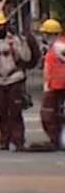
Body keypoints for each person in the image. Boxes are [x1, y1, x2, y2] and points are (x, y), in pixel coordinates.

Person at [0, 10, 34, 151]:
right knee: (1, 112)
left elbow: (26, 57)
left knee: (15, 112)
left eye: (0, 26)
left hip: (14, 79)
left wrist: (20, 44)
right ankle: (4, 139)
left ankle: (19, 140)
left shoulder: (14, 40)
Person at [41, 19, 65, 152]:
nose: (44, 37)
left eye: (46, 34)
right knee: (53, 115)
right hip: (54, 86)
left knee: (49, 115)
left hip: (58, 87)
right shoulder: (54, 47)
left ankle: (57, 140)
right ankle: (57, 140)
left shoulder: (59, 46)